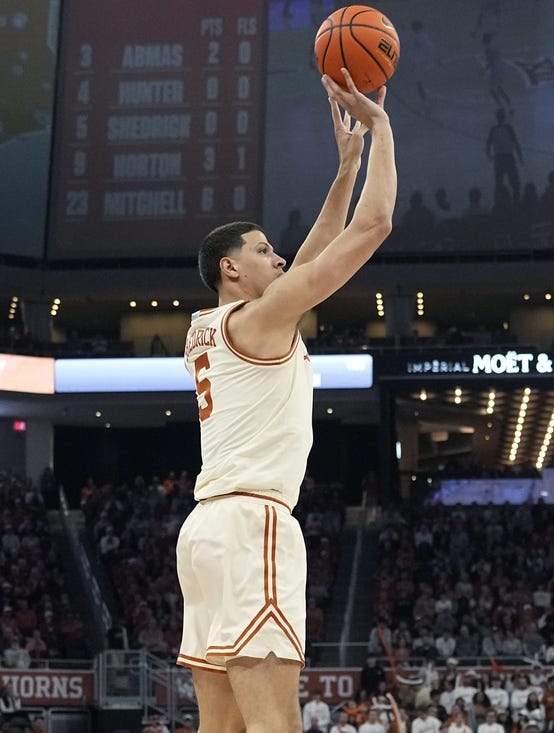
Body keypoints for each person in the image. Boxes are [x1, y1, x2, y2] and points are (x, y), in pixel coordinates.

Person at [175, 67, 395, 732]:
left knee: (224, 728)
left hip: (206, 532)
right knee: (274, 725)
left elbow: (315, 250)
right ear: (231, 269)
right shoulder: (260, 319)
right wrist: (381, 129)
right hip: (251, 526)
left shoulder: (211, 328)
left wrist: (345, 165)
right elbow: (373, 225)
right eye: (265, 250)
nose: (281, 258)